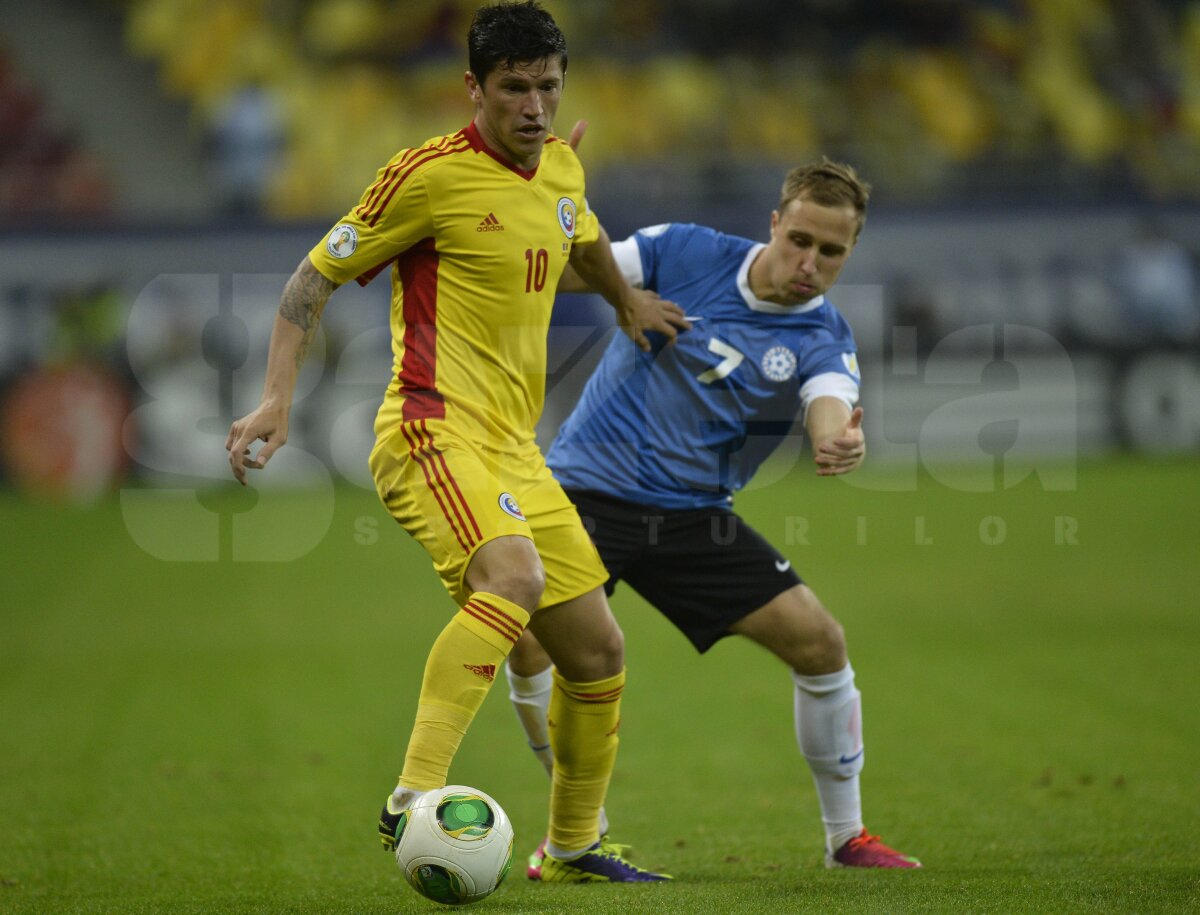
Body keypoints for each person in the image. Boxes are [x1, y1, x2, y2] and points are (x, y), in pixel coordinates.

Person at [226, 1, 688, 884]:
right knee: (512, 576)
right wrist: (275, 400)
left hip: (515, 446)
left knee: (598, 652)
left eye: (548, 87)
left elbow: (582, 239)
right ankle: (411, 799)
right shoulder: (425, 177)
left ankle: (577, 844)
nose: (535, 107)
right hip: (430, 426)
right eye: (514, 87)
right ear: (472, 88)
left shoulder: (560, 169)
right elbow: (311, 277)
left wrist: (629, 306)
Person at [507, 159, 923, 873]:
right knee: (534, 649)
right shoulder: (686, 250)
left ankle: (846, 838)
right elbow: (573, 270)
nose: (809, 264)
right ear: (774, 222)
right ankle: (578, 828)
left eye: (832, 253)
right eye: (800, 240)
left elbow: (829, 406)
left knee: (821, 643)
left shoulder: (825, 337)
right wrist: (568, 222)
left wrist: (838, 440)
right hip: (584, 495)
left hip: (693, 517)